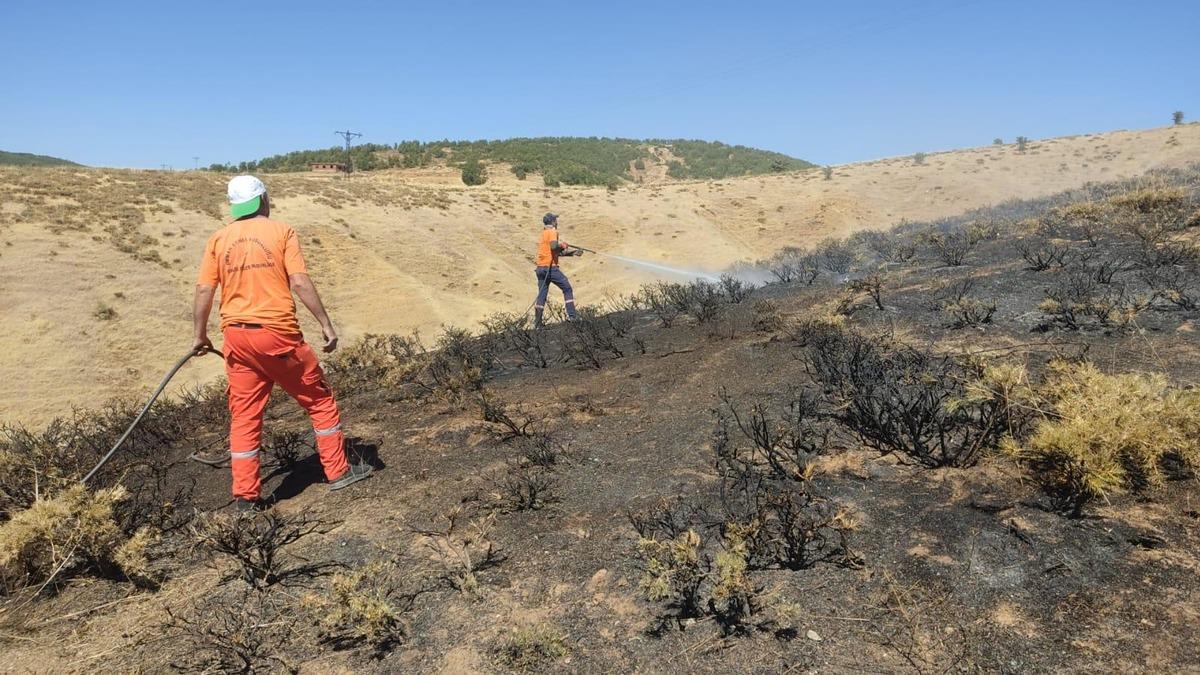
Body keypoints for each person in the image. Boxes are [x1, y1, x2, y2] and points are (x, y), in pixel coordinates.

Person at [192, 175, 372, 512]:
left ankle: (245, 497)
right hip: (277, 335)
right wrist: (325, 324)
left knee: (244, 416)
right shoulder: (281, 231)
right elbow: (300, 281)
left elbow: (204, 290)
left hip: (236, 337)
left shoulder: (218, 239)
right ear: (263, 200)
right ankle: (337, 471)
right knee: (319, 400)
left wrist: (200, 336)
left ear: (235, 206)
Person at [533, 212, 583, 326]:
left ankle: (537, 324)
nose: (557, 221)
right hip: (550, 268)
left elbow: (554, 252)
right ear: (553, 222)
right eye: (556, 219)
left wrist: (573, 252)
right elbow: (554, 247)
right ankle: (572, 316)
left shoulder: (544, 233)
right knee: (567, 288)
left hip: (540, 268)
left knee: (541, 296)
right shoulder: (553, 232)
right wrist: (562, 245)